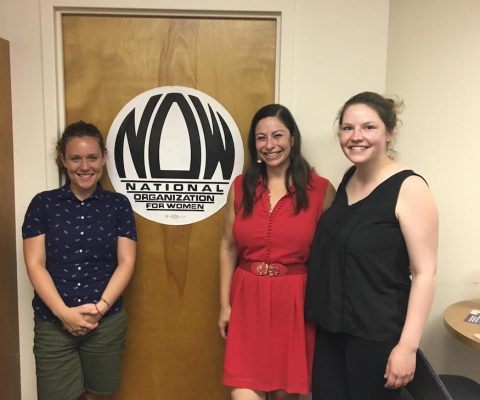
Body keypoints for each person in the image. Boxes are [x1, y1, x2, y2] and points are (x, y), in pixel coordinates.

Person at [305, 92, 438, 400]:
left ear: (389, 132)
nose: (356, 137)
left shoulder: (409, 188)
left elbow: (425, 272)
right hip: (332, 330)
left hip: (377, 336)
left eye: (368, 127)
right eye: (348, 128)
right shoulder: (350, 178)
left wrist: (407, 347)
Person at [218, 104, 335, 400]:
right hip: (247, 299)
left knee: (286, 395)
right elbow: (227, 245)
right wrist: (225, 305)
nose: (270, 145)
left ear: (292, 138)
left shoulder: (321, 190)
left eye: (277, 135)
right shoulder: (241, 187)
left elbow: (331, 256)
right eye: (261, 138)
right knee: (243, 393)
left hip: (295, 302)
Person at [22, 121, 137, 400]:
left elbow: (126, 261)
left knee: (98, 395)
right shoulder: (43, 204)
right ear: (63, 160)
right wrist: (64, 313)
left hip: (105, 323)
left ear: (103, 158)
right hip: (53, 323)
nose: (84, 166)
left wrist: (100, 308)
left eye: (92, 157)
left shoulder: (118, 205)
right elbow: (35, 264)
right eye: (75, 158)